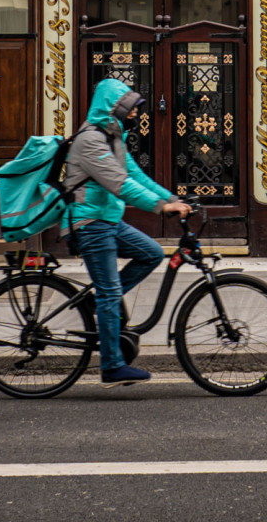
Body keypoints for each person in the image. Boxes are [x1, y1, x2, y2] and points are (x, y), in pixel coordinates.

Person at [62, 78, 191, 387]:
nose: (135, 113)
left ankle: (102, 301)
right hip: (89, 224)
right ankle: (112, 366)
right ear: (113, 109)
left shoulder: (113, 138)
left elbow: (136, 175)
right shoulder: (90, 141)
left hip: (106, 220)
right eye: (130, 108)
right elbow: (121, 185)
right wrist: (161, 208)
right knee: (109, 293)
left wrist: (172, 198)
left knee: (152, 253)